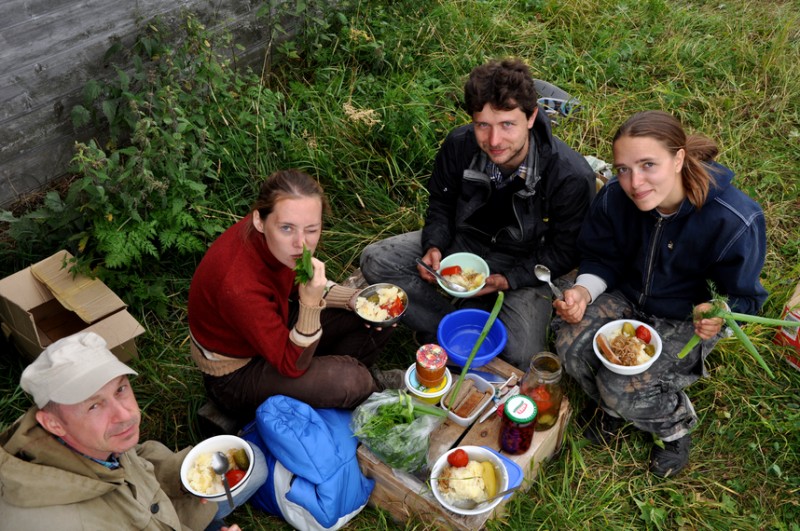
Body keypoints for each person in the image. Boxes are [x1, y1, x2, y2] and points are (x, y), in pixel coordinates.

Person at [553, 110, 768, 477]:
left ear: (679, 158)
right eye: (623, 168)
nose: (634, 183)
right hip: (627, 295)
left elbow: (746, 299)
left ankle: (673, 424)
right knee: (568, 345)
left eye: (648, 165)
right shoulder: (615, 199)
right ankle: (613, 407)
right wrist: (584, 293)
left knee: (622, 384)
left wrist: (718, 313)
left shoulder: (734, 220)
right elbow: (601, 257)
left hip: (684, 318)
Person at [359, 58, 596, 369]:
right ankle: (450, 324)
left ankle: (467, 322)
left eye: (507, 124)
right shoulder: (459, 145)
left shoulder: (570, 175)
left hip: (524, 263)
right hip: (464, 245)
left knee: (522, 354)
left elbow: (565, 250)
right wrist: (434, 244)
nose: (494, 141)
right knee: (375, 260)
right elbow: (441, 205)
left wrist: (508, 280)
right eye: (483, 125)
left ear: (531, 117)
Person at [188, 169, 398, 424]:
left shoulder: (276, 242)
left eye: (312, 229)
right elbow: (291, 365)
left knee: (379, 311)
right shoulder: (238, 284)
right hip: (236, 374)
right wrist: (310, 305)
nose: (302, 243)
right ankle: (361, 386)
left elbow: (298, 284)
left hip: (275, 324)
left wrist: (354, 299)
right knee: (350, 380)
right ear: (259, 221)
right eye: (287, 228)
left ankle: (340, 388)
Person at [0, 331, 266, 530]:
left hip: (162, 513)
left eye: (120, 389)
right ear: (52, 423)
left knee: (255, 465)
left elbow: (134, 461)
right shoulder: (58, 522)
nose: (125, 414)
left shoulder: (92, 439)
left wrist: (188, 480)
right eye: (94, 406)